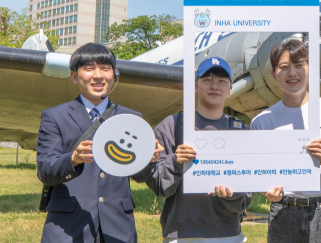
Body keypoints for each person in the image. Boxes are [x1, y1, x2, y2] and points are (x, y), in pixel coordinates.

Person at [37, 43, 163, 243]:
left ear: (114, 74)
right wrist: (73, 159)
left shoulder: (131, 117)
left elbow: (140, 176)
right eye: (88, 68)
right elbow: (45, 171)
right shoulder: (54, 116)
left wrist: (148, 159)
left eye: (105, 68)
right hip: (68, 227)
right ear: (74, 76)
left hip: (118, 228)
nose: (98, 75)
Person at [252, 38, 321, 243]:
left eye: (299, 65)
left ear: (310, 69)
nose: (292, 73)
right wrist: (266, 190)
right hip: (283, 212)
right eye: (284, 67)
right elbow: (257, 173)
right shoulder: (262, 122)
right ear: (274, 75)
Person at [146, 56, 251, 243]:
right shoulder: (173, 125)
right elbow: (158, 185)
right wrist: (176, 161)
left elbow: (245, 198)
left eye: (221, 81)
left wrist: (231, 194)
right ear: (195, 86)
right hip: (180, 235)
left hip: (227, 234)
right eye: (207, 80)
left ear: (230, 89)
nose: (214, 86)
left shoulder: (240, 131)